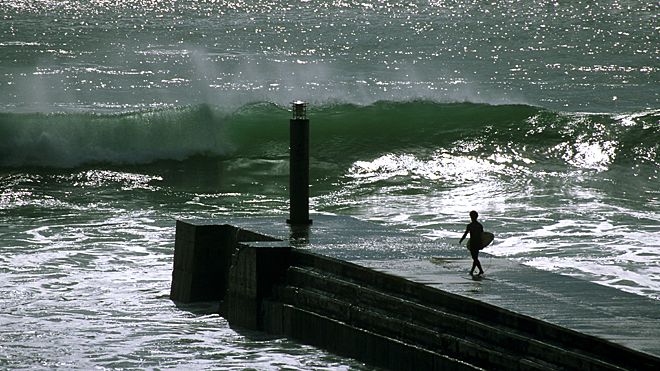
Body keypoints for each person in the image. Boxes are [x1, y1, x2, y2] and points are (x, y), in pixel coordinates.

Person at [459, 210, 484, 275]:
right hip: (478, 242)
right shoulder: (479, 225)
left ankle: (480, 270)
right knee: (475, 257)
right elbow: (482, 236)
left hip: (473, 243)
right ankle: (472, 271)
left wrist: (461, 239)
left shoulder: (470, 225)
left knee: (475, 258)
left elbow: (465, 234)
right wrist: (482, 244)